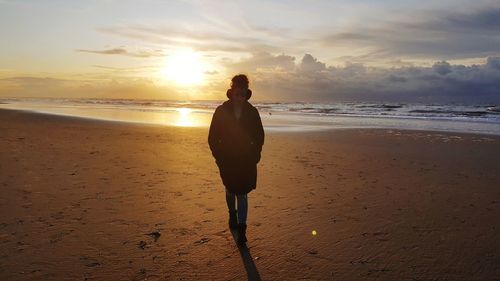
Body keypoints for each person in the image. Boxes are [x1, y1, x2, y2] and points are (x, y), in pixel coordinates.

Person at [208, 74, 265, 245]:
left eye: (243, 94)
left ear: (246, 92)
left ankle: (242, 231)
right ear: (232, 92)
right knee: (230, 190)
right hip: (227, 160)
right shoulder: (221, 111)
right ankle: (231, 214)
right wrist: (219, 157)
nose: (239, 97)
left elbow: (259, 136)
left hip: (246, 161)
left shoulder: (252, 112)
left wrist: (255, 155)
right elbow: (212, 137)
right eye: (237, 93)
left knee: (243, 194)